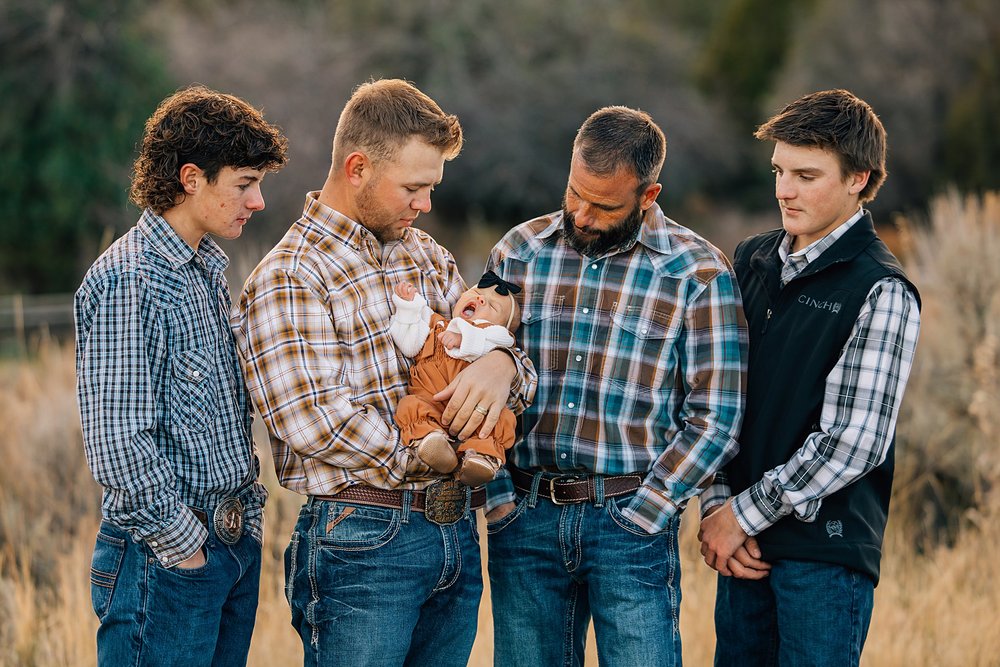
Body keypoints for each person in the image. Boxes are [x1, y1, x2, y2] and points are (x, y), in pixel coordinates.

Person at [231, 78, 536, 667]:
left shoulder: (426, 256)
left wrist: (502, 364)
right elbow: (314, 420)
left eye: (431, 189)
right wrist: (429, 452)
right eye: (414, 188)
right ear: (358, 167)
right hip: (363, 537)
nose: (425, 205)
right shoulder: (291, 275)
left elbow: (498, 358)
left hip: (452, 534)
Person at [483, 106, 748, 666]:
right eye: (574, 192)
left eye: (604, 206)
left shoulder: (698, 273)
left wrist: (651, 509)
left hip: (630, 522)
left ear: (649, 195)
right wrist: (499, 501)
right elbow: (478, 371)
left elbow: (717, 416)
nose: (580, 214)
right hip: (525, 516)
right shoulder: (518, 252)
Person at [698, 89, 921, 666]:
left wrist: (741, 512)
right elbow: (717, 393)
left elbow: (854, 442)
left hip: (824, 559)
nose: (784, 190)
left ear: (858, 178)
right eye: (778, 171)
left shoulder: (881, 289)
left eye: (805, 174)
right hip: (742, 549)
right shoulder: (749, 260)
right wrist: (718, 504)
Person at [74, 85, 288, 666]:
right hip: (165, 558)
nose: (259, 201)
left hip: (230, 543)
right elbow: (118, 441)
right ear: (191, 178)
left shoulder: (206, 273)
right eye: (245, 184)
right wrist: (184, 547)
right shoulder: (130, 279)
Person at [390, 270, 522, 487]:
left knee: (501, 419)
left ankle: (481, 457)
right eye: (477, 293)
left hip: (473, 409)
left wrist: (463, 337)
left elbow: (500, 341)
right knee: (411, 405)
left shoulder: (494, 336)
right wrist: (408, 308)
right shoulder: (437, 324)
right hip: (429, 397)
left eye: (493, 306)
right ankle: (431, 443)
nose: (480, 299)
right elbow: (409, 344)